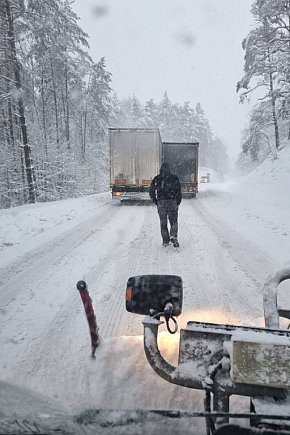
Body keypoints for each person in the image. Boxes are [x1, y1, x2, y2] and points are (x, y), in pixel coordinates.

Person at [149, 163, 182, 247]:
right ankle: (173, 236)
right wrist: (178, 201)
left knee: (163, 223)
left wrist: (155, 201)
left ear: (161, 169)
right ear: (169, 169)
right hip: (172, 202)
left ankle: (165, 241)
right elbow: (179, 191)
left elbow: (151, 191)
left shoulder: (157, 178)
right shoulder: (174, 178)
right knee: (174, 221)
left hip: (161, 203)